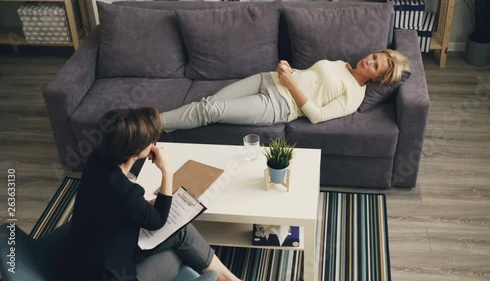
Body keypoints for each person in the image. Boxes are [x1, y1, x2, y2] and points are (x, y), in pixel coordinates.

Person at [65, 107, 241, 281]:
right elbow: (157, 221)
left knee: (182, 234)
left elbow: (116, 204)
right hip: (110, 274)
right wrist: (167, 171)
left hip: (87, 258)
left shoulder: (97, 159)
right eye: (150, 141)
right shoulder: (123, 190)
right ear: (135, 152)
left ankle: (231, 280)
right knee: (179, 250)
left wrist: (144, 204)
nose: (154, 144)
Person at [160, 49, 411, 132]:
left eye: (376, 65)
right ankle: (156, 132)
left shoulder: (355, 97)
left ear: (379, 78)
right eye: (375, 56)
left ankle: (147, 124)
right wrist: (289, 70)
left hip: (278, 106)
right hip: (268, 79)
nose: (369, 60)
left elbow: (316, 116)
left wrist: (291, 85)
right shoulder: (342, 64)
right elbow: (311, 78)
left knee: (210, 111)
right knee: (206, 106)